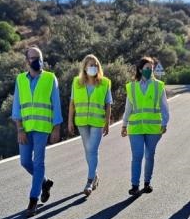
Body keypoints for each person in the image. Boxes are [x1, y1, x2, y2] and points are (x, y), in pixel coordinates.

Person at [12, 46, 62, 217]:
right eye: (33, 58)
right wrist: (19, 129)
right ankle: (45, 182)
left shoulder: (50, 78)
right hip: (25, 128)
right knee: (25, 162)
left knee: (38, 162)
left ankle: (33, 200)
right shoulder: (20, 79)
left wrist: (56, 128)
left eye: (39, 57)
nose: (37, 61)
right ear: (27, 61)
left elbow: (56, 104)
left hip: (42, 128)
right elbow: (17, 106)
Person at [121, 56, 169, 196]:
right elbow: (128, 108)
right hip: (135, 127)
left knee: (149, 155)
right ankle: (134, 185)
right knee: (137, 156)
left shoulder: (158, 85)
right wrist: (124, 125)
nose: (150, 71)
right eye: (147, 68)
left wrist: (165, 122)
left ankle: (147, 182)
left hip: (154, 128)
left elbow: (164, 107)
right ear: (141, 69)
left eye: (152, 68)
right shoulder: (132, 87)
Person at [67, 54, 113, 196]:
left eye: (95, 65)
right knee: (88, 151)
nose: (93, 67)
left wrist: (107, 122)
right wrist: (70, 121)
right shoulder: (76, 82)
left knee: (92, 149)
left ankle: (89, 181)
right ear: (84, 67)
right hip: (81, 122)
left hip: (97, 122)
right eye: (90, 65)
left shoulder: (105, 83)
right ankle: (95, 176)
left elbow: (108, 104)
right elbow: (72, 103)